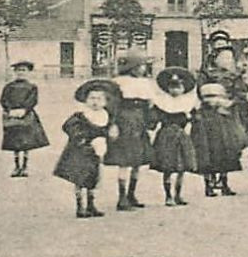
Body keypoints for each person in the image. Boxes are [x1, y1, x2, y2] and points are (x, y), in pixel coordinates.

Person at [54, 78, 119, 218]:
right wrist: (82, 139)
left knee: (92, 177)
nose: (95, 102)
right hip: (80, 151)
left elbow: (107, 131)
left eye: (100, 99)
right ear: (86, 100)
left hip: (96, 152)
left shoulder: (106, 116)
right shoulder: (81, 115)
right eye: (92, 98)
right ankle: (80, 206)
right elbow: (68, 127)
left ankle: (91, 204)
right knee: (80, 178)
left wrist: (109, 135)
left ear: (106, 101)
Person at [105, 48, 159, 210]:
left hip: (139, 121)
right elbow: (112, 105)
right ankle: (121, 198)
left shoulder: (145, 83)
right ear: (133, 66)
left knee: (138, 161)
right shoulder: (119, 82)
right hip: (125, 121)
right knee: (125, 160)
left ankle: (131, 194)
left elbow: (149, 106)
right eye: (141, 65)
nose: (143, 69)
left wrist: (151, 122)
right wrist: (112, 124)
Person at [151, 67, 199, 206]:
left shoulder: (188, 104)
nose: (175, 91)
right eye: (172, 87)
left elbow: (196, 118)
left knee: (181, 168)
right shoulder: (162, 103)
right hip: (166, 137)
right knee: (168, 168)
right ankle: (168, 196)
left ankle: (178, 194)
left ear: (184, 89)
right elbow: (154, 119)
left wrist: (190, 117)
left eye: (179, 87)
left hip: (181, 136)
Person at [193, 81, 247, 196]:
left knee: (224, 163)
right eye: (209, 97)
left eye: (215, 97)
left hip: (223, 142)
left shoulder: (225, 112)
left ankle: (224, 184)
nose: (212, 101)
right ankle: (208, 186)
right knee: (207, 164)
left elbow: (233, 126)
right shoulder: (201, 113)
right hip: (208, 144)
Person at [0, 60, 49, 177]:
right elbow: (4, 100)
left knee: (26, 142)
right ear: (15, 72)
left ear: (28, 72)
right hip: (12, 116)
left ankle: (25, 167)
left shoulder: (32, 87)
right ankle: (16, 167)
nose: (21, 73)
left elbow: (32, 100)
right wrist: (9, 110)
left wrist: (24, 110)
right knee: (15, 142)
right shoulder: (9, 87)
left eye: (23, 70)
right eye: (18, 70)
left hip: (26, 116)